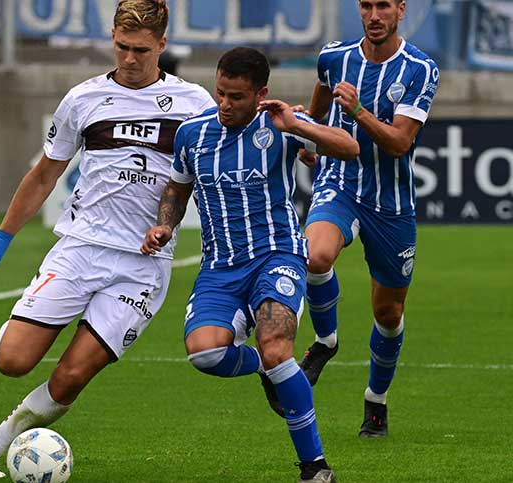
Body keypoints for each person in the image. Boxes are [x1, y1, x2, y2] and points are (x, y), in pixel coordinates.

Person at [0, 0, 215, 478]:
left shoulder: (194, 104)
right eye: (122, 47)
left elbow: (206, 176)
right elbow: (43, 176)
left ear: (162, 44)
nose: (130, 58)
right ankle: (30, 316)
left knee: (72, 375)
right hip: (79, 249)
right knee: (12, 361)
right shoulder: (83, 99)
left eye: (141, 49)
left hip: (143, 266)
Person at [141, 47, 358, 483]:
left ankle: (314, 466)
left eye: (236, 97)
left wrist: (296, 123)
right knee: (205, 353)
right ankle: (263, 367)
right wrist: (164, 226)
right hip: (220, 269)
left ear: (260, 93)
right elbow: (177, 189)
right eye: (220, 92)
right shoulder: (192, 134)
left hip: (277, 256)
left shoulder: (279, 124)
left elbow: (349, 148)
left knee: (278, 345)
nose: (224, 104)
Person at [296, 0, 439, 438]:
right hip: (339, 184)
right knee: (315, 256)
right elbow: (315, 114)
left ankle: (376, 400)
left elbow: (399, 142)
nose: (374, 15)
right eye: (366, 5)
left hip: (391, 204)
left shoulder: (420, 68)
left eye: (383, 6)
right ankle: (325, 342)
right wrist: (307, 137)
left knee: (389, 312)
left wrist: (357, 112)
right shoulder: (333, 57)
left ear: (400, 10)